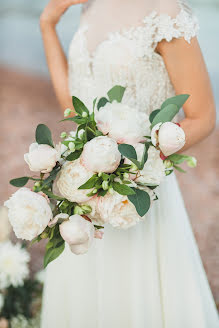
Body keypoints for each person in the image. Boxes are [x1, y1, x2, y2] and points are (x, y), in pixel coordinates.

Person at [40, 0, 219, 327]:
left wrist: (139, 156)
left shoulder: (166, 14)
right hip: (81, 191)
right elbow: (73, 109)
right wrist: (48, 24)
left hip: (136, 191)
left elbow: (203, 117)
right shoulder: (88, 5)